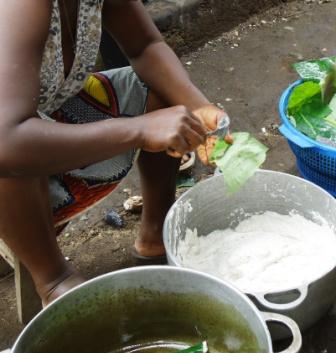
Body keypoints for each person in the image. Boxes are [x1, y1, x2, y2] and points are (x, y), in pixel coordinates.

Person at [0, 0, 229, 306]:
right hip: (10, 151)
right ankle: (54, 280)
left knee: (164, 97)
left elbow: (145, 46)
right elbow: (7, 142)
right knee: (11, 160)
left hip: (43, 117)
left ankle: (155, 239)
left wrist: (198, 107)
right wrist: (140, 130)